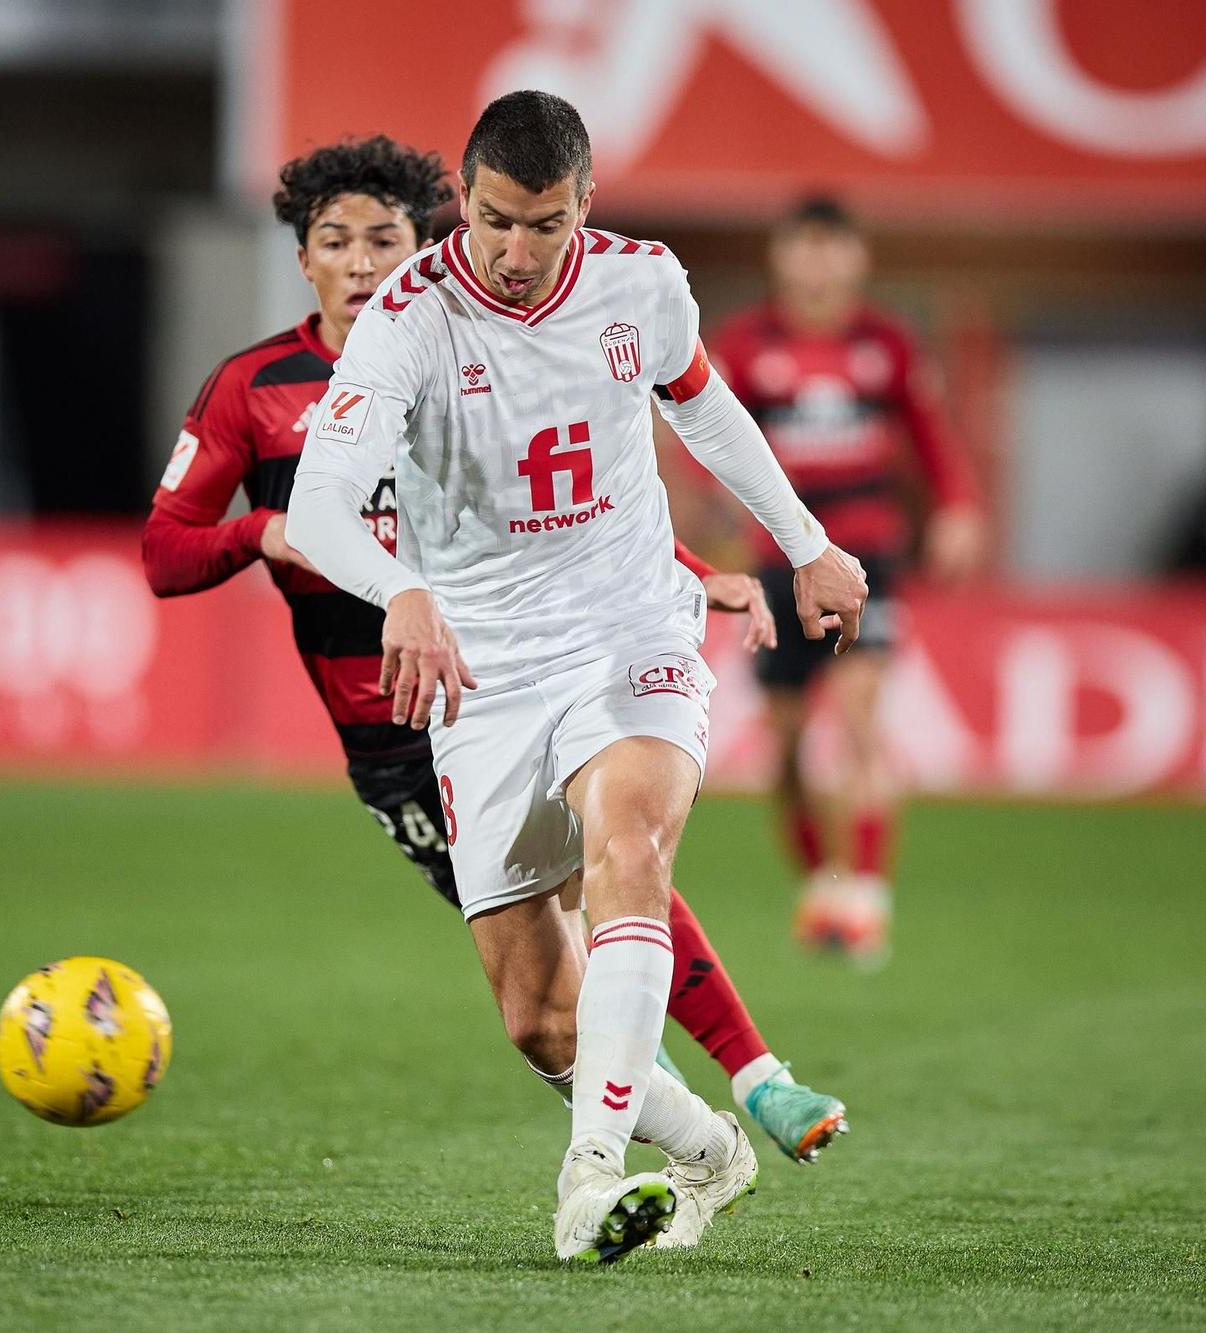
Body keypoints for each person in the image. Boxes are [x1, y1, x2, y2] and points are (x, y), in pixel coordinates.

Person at [142, 136, 850, 1169]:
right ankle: (702, 1137)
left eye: (384, 238)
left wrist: (689, 570)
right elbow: (164, 555)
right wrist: (264, 532)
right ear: (303, 259)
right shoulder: (254, 390)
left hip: (508, 677)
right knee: (540, 1005)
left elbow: (556, 501)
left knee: (623, 854)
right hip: (393, 733)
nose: (362, 261)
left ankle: (746, 1083)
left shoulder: (459, 340)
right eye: (334, 241)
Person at [707, 197, 984, 966]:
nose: (820, 263)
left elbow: (930, 431)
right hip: (779, 556)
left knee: (861, 715)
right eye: (806, 247)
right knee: (790, 745)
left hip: (866, 553)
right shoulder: (745, 345)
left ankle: (866, 895)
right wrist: (712, 523)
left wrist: (957, 504)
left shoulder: (886, 343)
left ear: (857, 258)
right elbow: (710, 439)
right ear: (782, 257)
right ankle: (822, 882)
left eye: (835, 248)